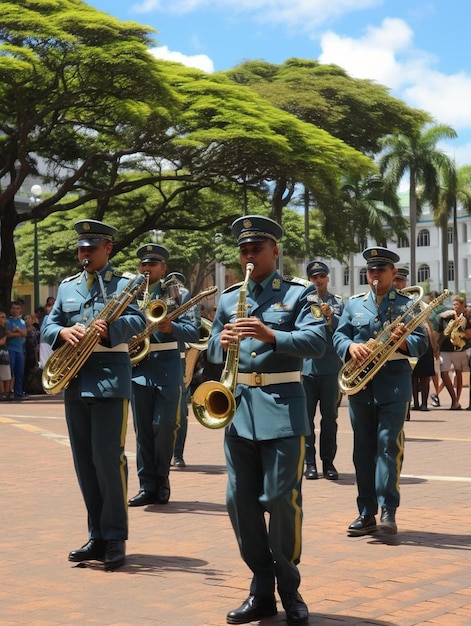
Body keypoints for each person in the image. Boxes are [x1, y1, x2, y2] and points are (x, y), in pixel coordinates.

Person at [205, 215, 326, 625]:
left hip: (282, 408)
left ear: (275, 251)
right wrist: (219, 344)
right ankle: (260, 586)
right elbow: (210, 349)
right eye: (244, 251)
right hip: (238, 409)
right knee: (238, 502)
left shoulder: (297, 294)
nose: (249, 257)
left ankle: (289, 588)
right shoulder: (228, 298)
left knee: (280, 500)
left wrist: (273, 334)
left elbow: (317, 342)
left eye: (256, 249)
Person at [42, 219, 146, 571]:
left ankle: (116, 536)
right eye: (81, 249)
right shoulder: (68, 286)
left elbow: (140, 321)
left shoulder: (126, 283)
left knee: (108, 459)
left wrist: (112, 327)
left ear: (108, 249)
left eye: (91, 248)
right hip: (76, 380)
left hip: (110, 380)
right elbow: (48, 325)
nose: (84, 254)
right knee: (84, 462)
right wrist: (62, 331)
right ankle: (96, 535)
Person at [333, 247, 428, 537]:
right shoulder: (353, 305)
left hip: (393, 383)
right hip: (361, 384)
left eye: (381, 270)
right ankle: (366, 512)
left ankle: (388, 511)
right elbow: (339, 334)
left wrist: (401, 343)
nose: (375, 275)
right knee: (362, 451)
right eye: (371, 270)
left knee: (388, 446)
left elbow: (422, 342)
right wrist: (349, 347)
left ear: (392, 274)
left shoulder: (407, 304)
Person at [128, 244, 199, 507]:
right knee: (143, 431)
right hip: (138, 367)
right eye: (143, 265)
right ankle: (147, 486)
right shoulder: (131, 294)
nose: (147, 269)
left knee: (165, 426)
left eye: (153, 264)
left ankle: (162, 479)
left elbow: (194, 332)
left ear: (163, 268)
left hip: (168, 366)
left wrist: (171, 327)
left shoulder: (177, 293)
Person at [302, 260, 344, 481]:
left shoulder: (337, 303)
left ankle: (328, 462)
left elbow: (344, 331)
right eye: (314, 277)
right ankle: (309, 463)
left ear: (327, 278)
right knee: (305, 419)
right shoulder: (302, 302)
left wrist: (330, 316)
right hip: (306, 370)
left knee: (330, 419)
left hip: (330, 369)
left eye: (321, 276)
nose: (318, 280)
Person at [437, 295, 471, 410]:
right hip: (445, 349)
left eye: (457, 304)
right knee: (444, 373)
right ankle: (454, 399)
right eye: (454, 304)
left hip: (460, 350)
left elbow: (468, 334)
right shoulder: (447, 317)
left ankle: (456, 401)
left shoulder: (466, 317)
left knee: (458, 373)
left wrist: (459, 332)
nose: (455, 307)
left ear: (462, 305)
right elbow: (441, 332)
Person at [6, 300, 28, 400]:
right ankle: (8, 392)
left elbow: (25, 334)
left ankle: (18, 393)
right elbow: (9, 334)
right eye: (14, 308)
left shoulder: (22, 322)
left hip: (20, 350)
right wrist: (19, 333)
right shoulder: (7, 321)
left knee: (19, 372)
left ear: (20, 310)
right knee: (10, 372)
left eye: (17, 308)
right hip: (10, 349)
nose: (15, 310)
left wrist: (17, 330)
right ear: (11, 310)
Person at [0, 310, 12, 401]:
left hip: (5, 352)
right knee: (1, 374)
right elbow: (2, 341)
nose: (4, 319)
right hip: (1, 352)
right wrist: (6, 336)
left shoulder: (5, 328)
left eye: (4, 317)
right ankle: (2, 392)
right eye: (2, 317)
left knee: (7, 373)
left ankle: (7, 392)